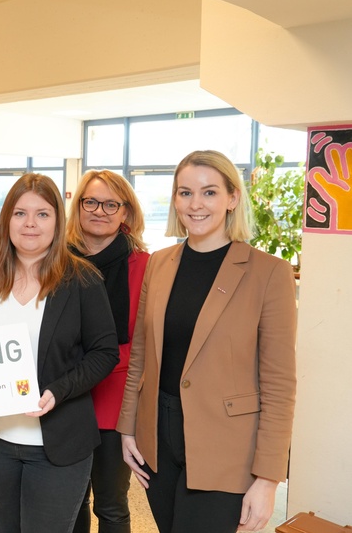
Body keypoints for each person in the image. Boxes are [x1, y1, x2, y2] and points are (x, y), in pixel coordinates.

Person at [117, 150, 297, 533]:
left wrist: (268, 479)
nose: (195, 204)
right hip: (159, 439)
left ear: (233, 198)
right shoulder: (159, 264)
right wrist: (128, 429)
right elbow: (141, 358)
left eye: (209, 192)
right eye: (185, 193)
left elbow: (279, 386)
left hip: (226, 446)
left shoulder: (269, 273)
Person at [0, 172, 119, 533]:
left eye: (42, 214)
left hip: (58, 446)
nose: (30, 223)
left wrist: (58, 391)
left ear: (58, 222)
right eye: (20, 213)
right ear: (6, 220)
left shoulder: (82, 279)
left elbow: (104, 352)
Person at [66, 170, 150, 533]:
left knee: (111, 504)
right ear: (79, 207)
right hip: (67, 396)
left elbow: (146, 343)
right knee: (70, 503)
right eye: (91, 202)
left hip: (116, 400)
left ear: (125, 212)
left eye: (111, 204)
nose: (99, 211)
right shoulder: (57, 261)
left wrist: (101, 361)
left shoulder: (146, 266)